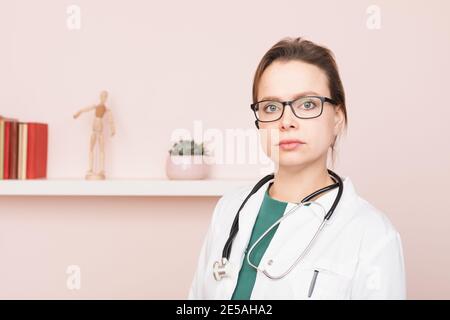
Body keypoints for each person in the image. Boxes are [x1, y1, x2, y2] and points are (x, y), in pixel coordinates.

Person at [188, 37, 406, 300]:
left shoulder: (373, 235)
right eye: (271, 107)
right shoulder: (229, 209)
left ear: (337, 118)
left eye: (307, 104)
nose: (286, 121)